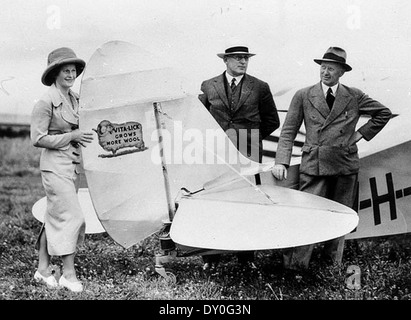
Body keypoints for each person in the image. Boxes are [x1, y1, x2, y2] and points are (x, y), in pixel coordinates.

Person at [272, 47, 392, 270]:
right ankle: (296, 268)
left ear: (341, 72)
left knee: (340, 216)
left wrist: (359, 135)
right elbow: (288, 131)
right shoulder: (304, 95)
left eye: (331, 69)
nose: (325, 72)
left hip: (344, 165)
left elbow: (383, 113)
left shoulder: (354, 95)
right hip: (314, 164)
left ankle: (331, 267)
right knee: (307, 215)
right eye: (323, 67)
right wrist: (281, 161)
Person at [199, 44, 280, 270]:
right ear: (225, 61)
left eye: (245, 58)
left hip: (248, 153)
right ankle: (211, 258)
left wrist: (249, 139)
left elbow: (273, 121)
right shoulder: (209, 85)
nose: (242, 62)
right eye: (237, 58)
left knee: (248, 202)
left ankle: (247, 258)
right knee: (213, 201)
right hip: (216, 155)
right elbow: (201, 119)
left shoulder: (260, 87)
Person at [31, 47, 94, 292]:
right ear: (55, 73)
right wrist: (71, 136)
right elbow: (38, 138)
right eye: (65, 70)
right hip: (54, 167)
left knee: (55, 216)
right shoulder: (45, 102)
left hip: (72, 165)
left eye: (73, 70)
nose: (70, 74)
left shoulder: (75, 98)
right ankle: (69, 274)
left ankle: (42, 269)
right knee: (72, 217)